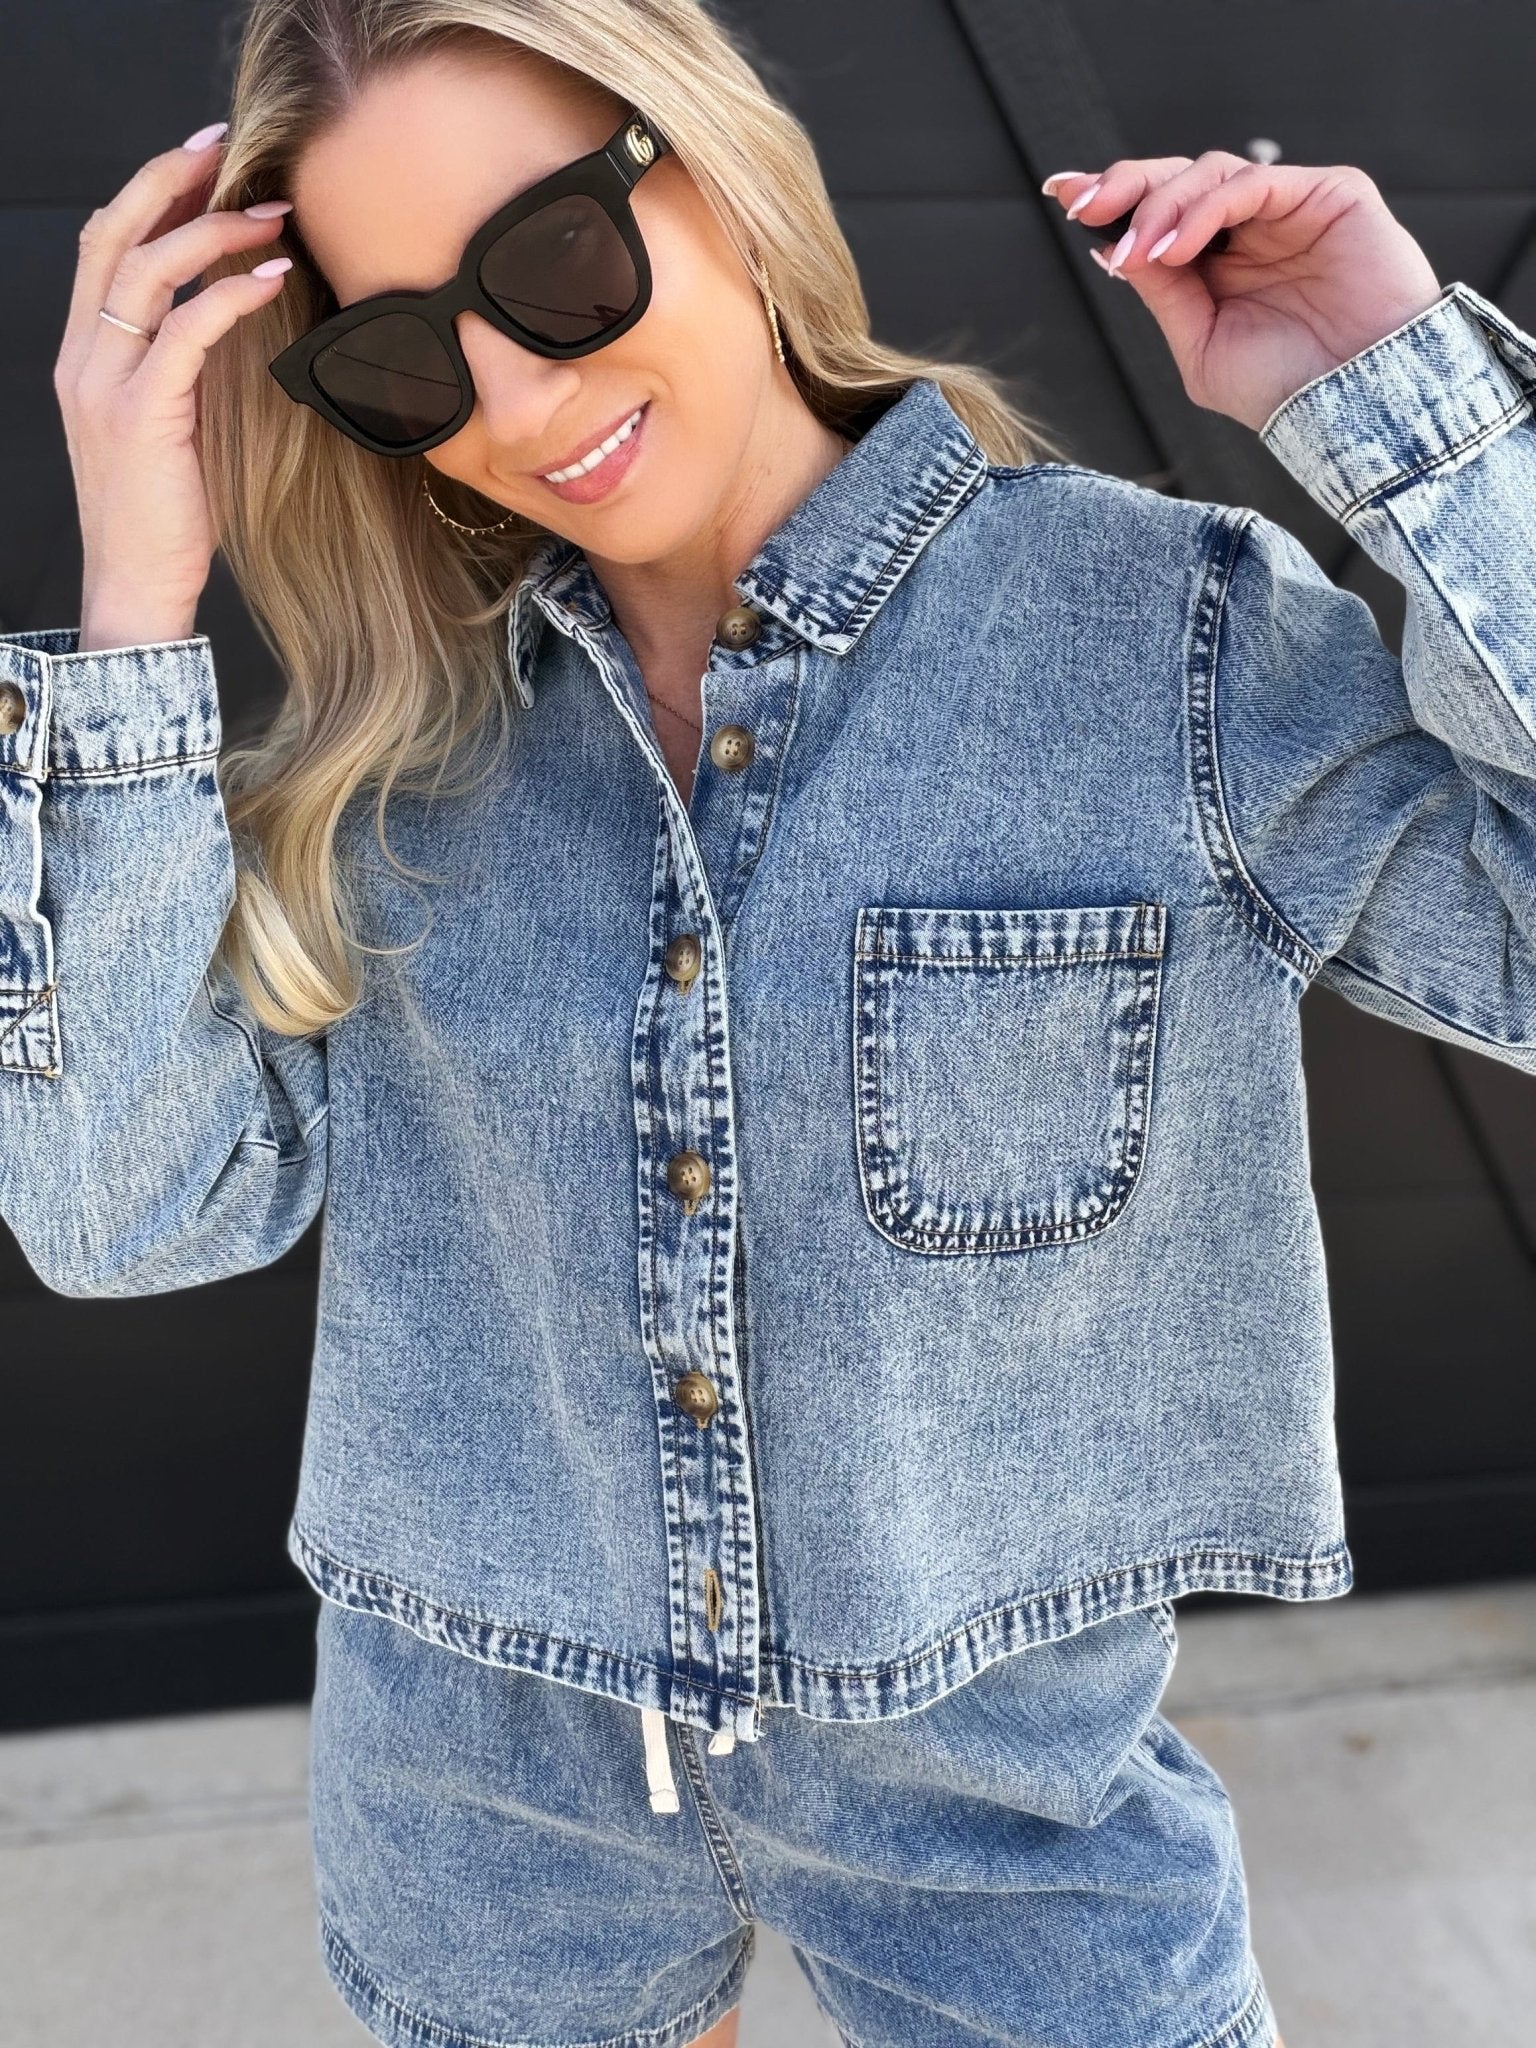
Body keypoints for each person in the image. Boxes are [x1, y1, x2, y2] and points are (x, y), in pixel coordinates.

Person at [4, 2, 1534, 2044]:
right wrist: (133, 597)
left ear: (715, 171)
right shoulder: (412, 747)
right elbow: (124, 1220)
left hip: (1007, 1810)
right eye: (401, 355)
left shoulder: (1160, 640)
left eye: (553, 258)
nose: (513, 394)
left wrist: (1405, 399)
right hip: (484, 1787)